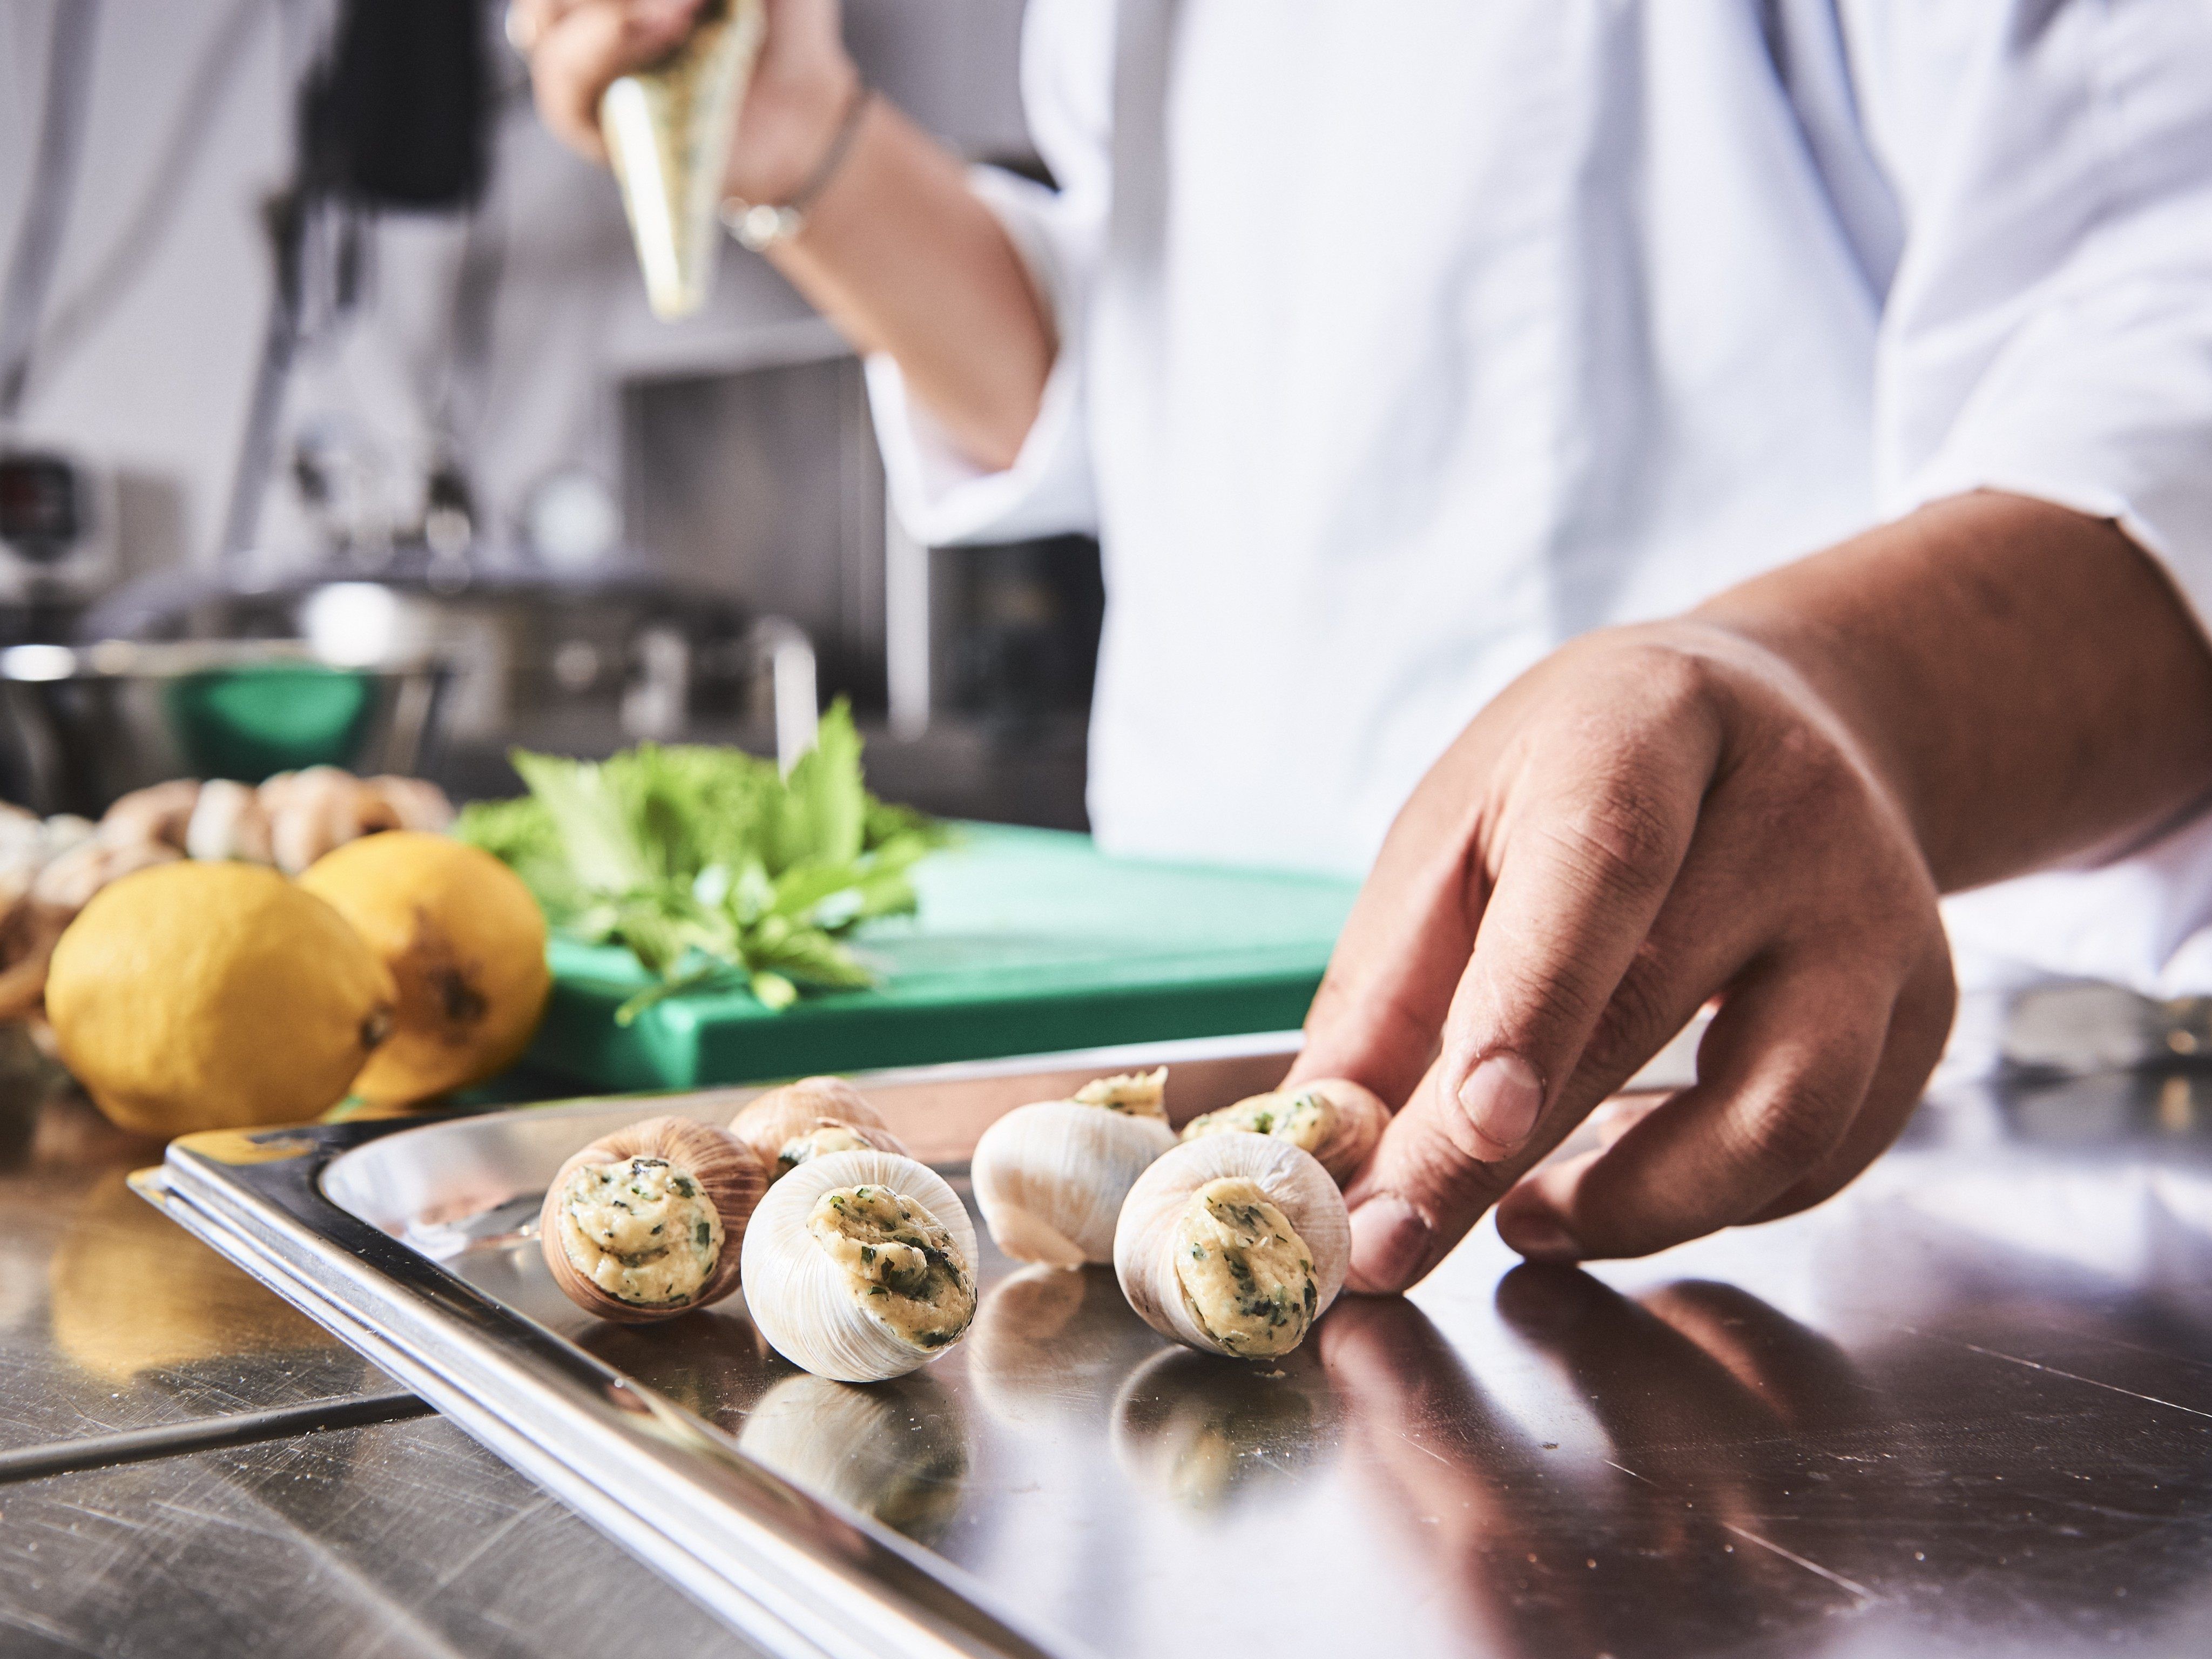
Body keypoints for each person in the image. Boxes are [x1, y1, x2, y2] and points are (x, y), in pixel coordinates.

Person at [515, 0, 2212, 1292]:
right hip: (1212, 1095)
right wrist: (803, 146)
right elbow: (1140, 375)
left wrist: (1831, 695)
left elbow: (2167, 333)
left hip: (1801, 1145)